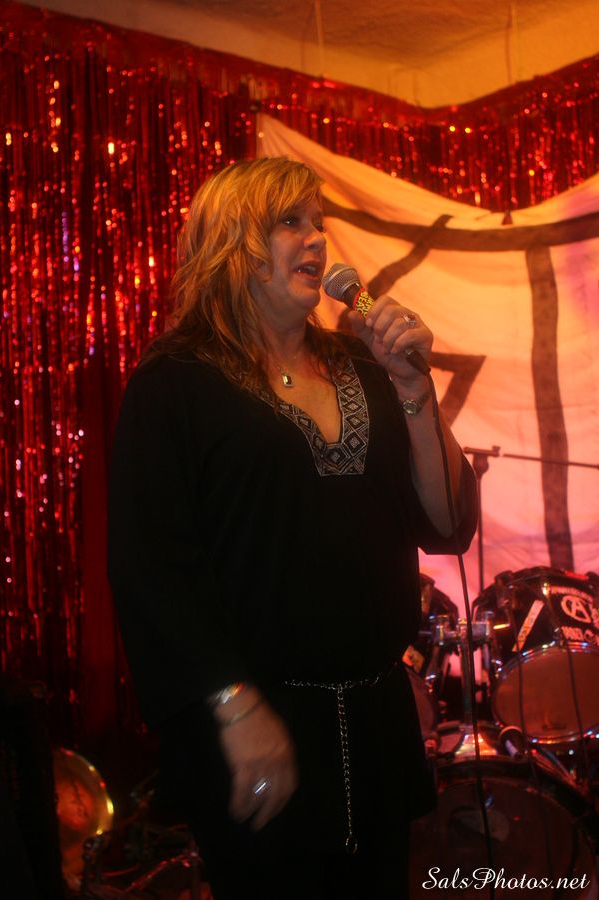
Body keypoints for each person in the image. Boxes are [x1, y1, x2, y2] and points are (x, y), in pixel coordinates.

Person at [107, 156, 477, 899]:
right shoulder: (176, 382)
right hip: (258, 722)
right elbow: (153, 573)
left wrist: (413, 387)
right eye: (289, 222)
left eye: (318, 223)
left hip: (375, 724)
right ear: (233, 245)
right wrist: (235, 707)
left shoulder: (364, 366)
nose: (316, 239)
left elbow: (445, 524)